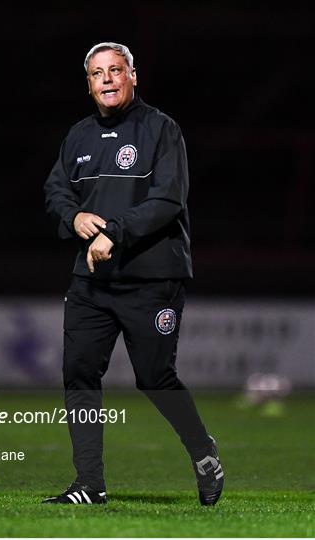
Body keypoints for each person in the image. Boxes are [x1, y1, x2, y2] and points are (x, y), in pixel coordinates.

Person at [43, 42, 224, 506]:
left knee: (154, 377)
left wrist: (114, 233)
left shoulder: (161, 130)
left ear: (132, 77)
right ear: (88, 84)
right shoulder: (78, 136)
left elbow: (168, 201)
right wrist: (73, 218)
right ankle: (89, 484)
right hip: (91, 281)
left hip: (151, 278)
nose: (106, 79)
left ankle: (203, 451)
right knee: (78, 372)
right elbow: (56, 189)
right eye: (97, 73)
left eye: (115, 70)